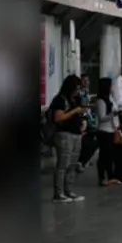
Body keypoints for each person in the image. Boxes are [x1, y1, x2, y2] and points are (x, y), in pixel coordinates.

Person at [49, 75, 87, 203]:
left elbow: (80, 114)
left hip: (77, 133)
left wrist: (83, 122)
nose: (77, 91)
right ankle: (58, 193)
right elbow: (58, 118)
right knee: (63, 164)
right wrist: (75, 111)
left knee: (72, 164)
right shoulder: (60, 99)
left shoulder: (76, 98)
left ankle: (68, 190)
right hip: (64, 134)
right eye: (75, 88)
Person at [94, 77, 122, 186]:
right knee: (104, 155)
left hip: (112, 129)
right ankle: (102, 177)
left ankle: (111, 176)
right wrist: (113, 115)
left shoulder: (110, 98)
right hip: (104, 130)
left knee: (110, 155)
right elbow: (102, 117)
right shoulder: (101, 101)